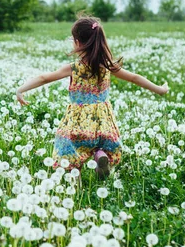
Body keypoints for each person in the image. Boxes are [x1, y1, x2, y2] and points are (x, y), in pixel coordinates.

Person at [16, 16, 168, 179]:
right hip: (103, 119)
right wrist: (159, 89)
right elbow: (134, 77)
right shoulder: (107, 65)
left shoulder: (74, 68)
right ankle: (100, 155)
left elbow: (44, 78)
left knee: (70, 149)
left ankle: (76, 183)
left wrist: (21, 89)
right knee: (99, 144)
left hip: (78, 119)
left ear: (79, 43)